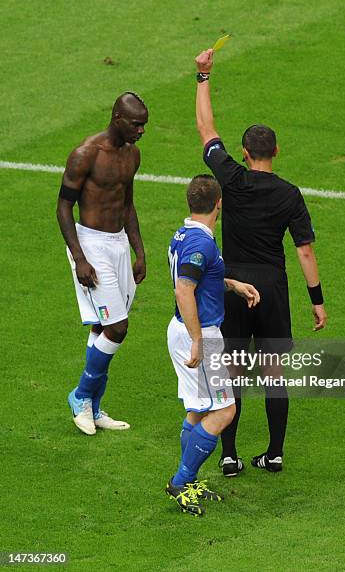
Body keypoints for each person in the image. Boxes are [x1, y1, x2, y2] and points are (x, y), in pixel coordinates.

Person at [195, 49, 327, 475]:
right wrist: (317, 300)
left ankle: (229, 456)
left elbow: (205, 128)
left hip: (232, 288)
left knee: (231, 372)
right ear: (277, 151)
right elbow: (304, 249)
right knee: (273, 372)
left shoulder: (230, 179)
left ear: (244, 153)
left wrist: (203, 77)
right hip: (270, 289)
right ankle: (275, 454)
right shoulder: (289, 194)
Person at [166, 174, 260, 516]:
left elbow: (198, 280)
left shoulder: (185, 234)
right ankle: (181, 481)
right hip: (200, 334)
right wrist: (197, 340)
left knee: (199, 409)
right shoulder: (201, 243)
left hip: (186, 329)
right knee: (224, 410)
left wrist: (232, 284)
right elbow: (183, 290)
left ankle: (187, 482)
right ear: (219, 203)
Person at [56, 92, 148, 436]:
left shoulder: (132, 155)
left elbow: (127, 205)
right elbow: (63, 207)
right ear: (117, 118)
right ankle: (80, 395)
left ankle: (94, 407)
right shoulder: (85, 155)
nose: (141, 131)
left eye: (144, 125)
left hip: (118, 245)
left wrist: (139, 251)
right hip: (91, 245)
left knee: (101, 326)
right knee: (118, 327)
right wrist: (79, 257)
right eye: (136, 124)